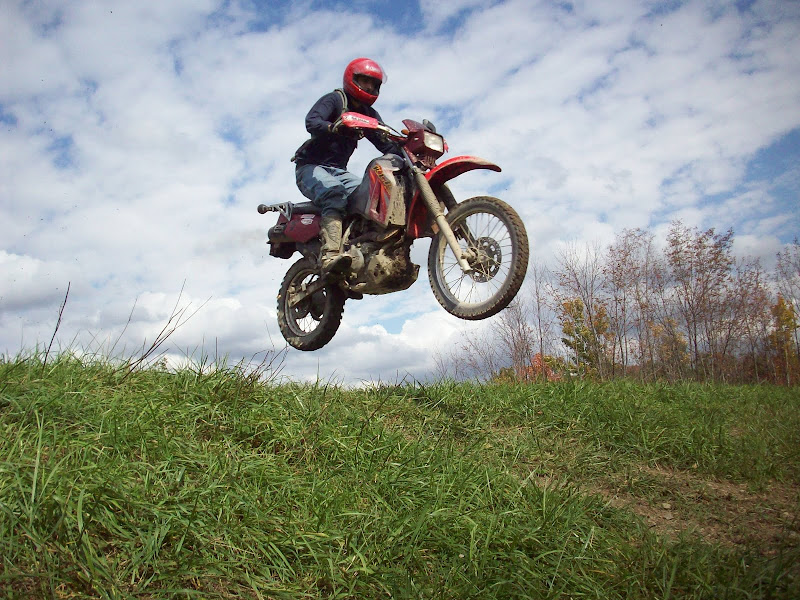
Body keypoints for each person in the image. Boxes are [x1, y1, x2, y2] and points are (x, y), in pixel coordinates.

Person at [292, 58, 399, 274]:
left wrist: (408, 150)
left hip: (339, 171)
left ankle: (358, 248)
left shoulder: (368, 115)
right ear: (352, 79)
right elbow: (312, 121)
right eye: (364, 81)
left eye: (374, 84)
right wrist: (333, 127)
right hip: (311, 167)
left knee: (370, 196)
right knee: (335, 193)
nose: (369, 87)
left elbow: (384, 143)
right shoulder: (335, 99)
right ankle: (330, 254)